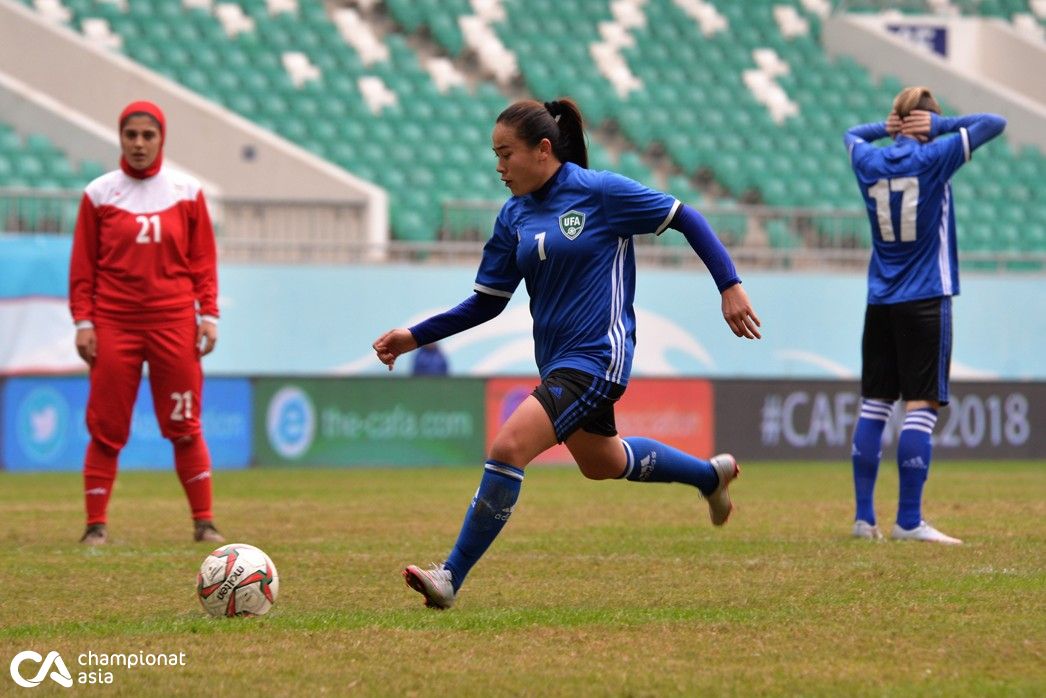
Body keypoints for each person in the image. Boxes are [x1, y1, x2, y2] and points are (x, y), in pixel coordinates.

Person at [373, 98, 761, 609]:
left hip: (599, 357)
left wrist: (729, 286)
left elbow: (685, 217)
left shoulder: (599, 192)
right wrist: (415, 336)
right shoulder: (512, 216)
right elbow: (486, 304)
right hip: (558, 362)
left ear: (543, 150)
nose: (498, 166)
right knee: (601, 461)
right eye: (495, 154)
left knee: (509, 447)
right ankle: (709, 476)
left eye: (506, 153)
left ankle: (450, 576)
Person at [844, 87, 1006, 545]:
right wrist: (943, 126)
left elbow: (851, 133)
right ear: (926, 123)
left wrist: (885, 128)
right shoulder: (936, 156)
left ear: (897, 121)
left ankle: (862, 518)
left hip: (880, 299)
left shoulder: (868, 162)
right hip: (926, 298)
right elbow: (994, 122)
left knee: (875, 403)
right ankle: (909, 521)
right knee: (921, 405)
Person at [69, 100, 224, 545]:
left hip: (175, 322)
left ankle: (204, 522)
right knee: (107, 428)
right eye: (130, 135)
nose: (138, 144)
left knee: (185, 423)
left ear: (161, 139)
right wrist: (83, 321)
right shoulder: (99, 194)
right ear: (120, 138)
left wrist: (208, 314)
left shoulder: (186, 192)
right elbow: (83, 267)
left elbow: (202, 261)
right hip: (114, 323)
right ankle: (95, 526)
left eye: (147, 135)